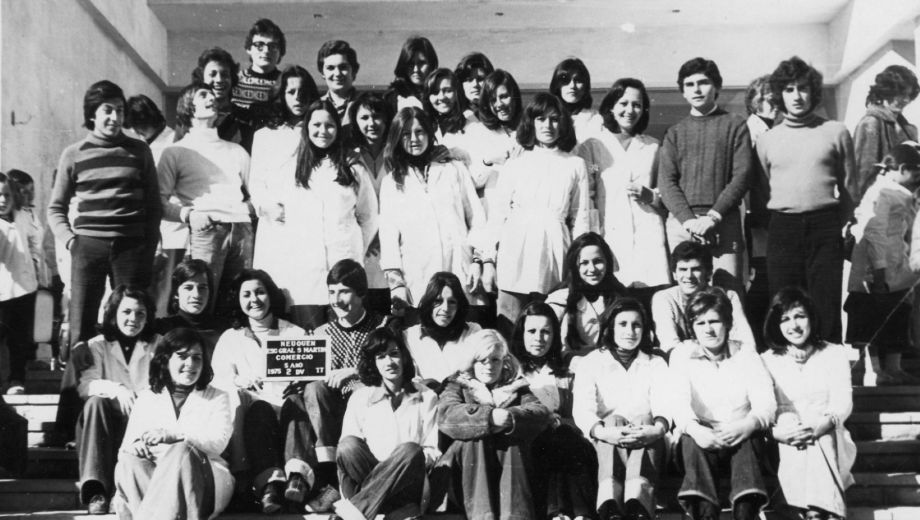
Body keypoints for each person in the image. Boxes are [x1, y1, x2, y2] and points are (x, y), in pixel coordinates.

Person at [48, 80, 161, 359]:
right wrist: (72, 242)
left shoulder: (139, 151)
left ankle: (133, 387)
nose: (115, 117)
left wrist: (146, 249)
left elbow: (154, 206)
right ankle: (75, 397)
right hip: (88, 247)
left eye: (120, 111)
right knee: (82, 323)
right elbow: (55, 208)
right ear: (92, 114)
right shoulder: (73, 154)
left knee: (132, 319)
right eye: (108, 110)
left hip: (131, 248)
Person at [251, 99, 377, 331]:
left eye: (329, 126)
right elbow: (275, 216)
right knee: (310, 342)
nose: (323, 131)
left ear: (338, 129)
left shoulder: (352, 167)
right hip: (304, 274)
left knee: (348, 335)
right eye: (316, 125)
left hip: (343, 265)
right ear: (307, 128)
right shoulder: (290, 170)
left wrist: (356, 248)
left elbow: (369, 216)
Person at [757, 56, 855, 343]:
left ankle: (829, 367)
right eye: (788, 89)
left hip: (825, 227)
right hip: (783, 229)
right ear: (779, 95)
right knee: (784, 305)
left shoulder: (835, 131)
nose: (796, 96)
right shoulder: (767, 139)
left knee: (825, 302)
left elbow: (850, 188)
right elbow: (762, 191)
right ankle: (788, 371)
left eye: (802, 88)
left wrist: (835, 223)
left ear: (813, 91)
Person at [279, 259, 389, 513]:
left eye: (344, 291)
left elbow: (395, 365)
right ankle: (309, 477)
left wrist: (353, 371)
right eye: (332, 292)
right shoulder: (320, 333)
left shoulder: (383, 326)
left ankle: (328, 482)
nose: (337, 300)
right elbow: (311, 380)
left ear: (361, 293)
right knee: (304, 395)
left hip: (368, 409)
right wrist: (298, 378)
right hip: (329, 413)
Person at [486, 92, 590, 333]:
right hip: (516, 249)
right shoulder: (516, 163)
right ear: (530, 123)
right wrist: (488, 260)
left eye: (555, 119)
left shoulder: (575, 164)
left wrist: (579, 265)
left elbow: (581, 217)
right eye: (541, 119)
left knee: (548, 324)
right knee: (510, 325)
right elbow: (497, 216)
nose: (548, 125)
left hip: (555, 249)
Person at [669, 288, 776, 520]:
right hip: (700, 437)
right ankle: (705, 515)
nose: (708, 329)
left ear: (727, 323)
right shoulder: (682, 354)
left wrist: (747, 424)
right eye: (700, 323)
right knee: (689, 439)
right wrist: (697, 430)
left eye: (714, 321)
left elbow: (765, 402)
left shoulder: (746, 354)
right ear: (692, 327)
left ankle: (745, 513)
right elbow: (677, 403)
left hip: (741, 435)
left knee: (750, 438)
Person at [209, 269, 307, 514]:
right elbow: (219, 378)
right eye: (247, 295)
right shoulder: (230, 338)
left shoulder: (294, 332)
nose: (254, 300)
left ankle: (297, 480)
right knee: (259, 408)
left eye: (260, 292)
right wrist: (240, 380)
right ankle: (270, 486)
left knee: (294, 403)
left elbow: (310, 370)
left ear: (271, 295)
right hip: (255, 410)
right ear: (238, 300)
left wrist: (301, 381)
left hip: (288, 406)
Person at [378, 107, 489, 321]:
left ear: (429, 133)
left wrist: (478, 261)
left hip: (460, 270)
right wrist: (396, 284)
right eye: (406, 134)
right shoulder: (392, 182)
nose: (414, 139)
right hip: (419, 276)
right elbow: (389, 238)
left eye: (420, 131)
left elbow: (477, 218)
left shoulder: (454, 168)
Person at [113, 327, 234, 520]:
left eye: (197, 357)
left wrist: (176, 436)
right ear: (166, 359)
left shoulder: (218, 396)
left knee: (180, 451)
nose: (190, 364)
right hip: (154, 476)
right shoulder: (147, 397)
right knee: (128, 462)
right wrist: (135, 446)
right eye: (182, 356)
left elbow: (219, 443)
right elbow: (125, 449)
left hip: (204, 476)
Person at [658, 57, 753, 299]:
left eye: (703, 82)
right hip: (682, 225)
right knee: (686, 294)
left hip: (723, 222)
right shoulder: (675, 133)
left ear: (717, 87)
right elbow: (667, 183)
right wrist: (689, 221)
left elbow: (742, 175)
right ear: (683, 92)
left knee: (728, 293)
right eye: (689, 85)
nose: (697, 90)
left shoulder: (735, 125)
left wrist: (712, 217)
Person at [159, 82, 253, 316]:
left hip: (242, 231)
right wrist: (189, 215)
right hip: (206, 231)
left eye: (212, 94)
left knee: (239, 305)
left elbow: (256, 192)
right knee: (202, 303)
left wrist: (247, 211)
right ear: (188, 105)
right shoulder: (175, 152)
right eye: (203, 94)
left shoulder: (236, 151)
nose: (211, 96)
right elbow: (157, 201)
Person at [761, 288, 856, 520]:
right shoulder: (766, 360)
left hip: (831, 439)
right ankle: (828, 512)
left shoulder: (834, 353)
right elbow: (763, 406)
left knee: (821, 432)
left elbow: (842, 399)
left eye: (799, 316)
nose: (793, 325)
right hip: (784, 442)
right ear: (776, 324)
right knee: (790, 419)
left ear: (811, 318)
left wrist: (823, 423)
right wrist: (778, 433)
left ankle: (807, 510)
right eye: (785, 319)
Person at [437, 329, 552, 520]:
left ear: (504, 361)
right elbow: (447, 416)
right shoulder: (457, 384)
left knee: (513, 439)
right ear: (471, 361)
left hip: (506, 469)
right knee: (477, 437)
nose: (488, 366)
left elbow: (540, 413)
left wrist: (510, 416)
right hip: (463, 473)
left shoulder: (516, 387)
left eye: (495, 360)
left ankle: (515, 516)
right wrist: (488, 418)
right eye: (482, 360)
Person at [572, 298, 669, 520]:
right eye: (622, 324)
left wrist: (657, 429)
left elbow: (665, 403)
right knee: (614, 419)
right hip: (606, 439)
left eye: (637, 325)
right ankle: (611, 506)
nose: (630, 331)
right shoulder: (591, 362)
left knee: (645, 418)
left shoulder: (655, 363)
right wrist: (606, 432)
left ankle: (638, 506)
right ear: (610, 328)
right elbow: (583, 410)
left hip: (648, 438)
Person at [332, 327, 439, 520]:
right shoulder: (360, 397)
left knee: (411, 450)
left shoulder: (427, 396)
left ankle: (354, 512)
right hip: (367, 474)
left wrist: (395, 467)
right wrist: (383, 473)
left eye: (394, 354)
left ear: (404, 357)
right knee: (348, 445)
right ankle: (379, 507)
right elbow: (347, 455)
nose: (389, 362)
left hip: (407, 484)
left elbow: (432, 451)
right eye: (381, 357)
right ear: (373, 363)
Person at [575, 78, 670, 292]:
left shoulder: (653, 147)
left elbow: (667, 195)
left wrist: (649, 196)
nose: (630, 110)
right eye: (624, 103)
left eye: (636, 105)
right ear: (611, 106)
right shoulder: (593, 145)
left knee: (648, 298)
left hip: (647, 237)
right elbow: (586, 197)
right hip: (609, 236)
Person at [510, 302, 597, 520]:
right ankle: (562, 512)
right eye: (532, 331)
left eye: (545, 331)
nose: (539, 338)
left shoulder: (566, 371)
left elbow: (580, 413)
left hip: (566, 442)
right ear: (521, 334)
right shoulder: (510, 370)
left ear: (554, 335)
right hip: (527, 445)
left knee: (563, 437)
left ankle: (576, 515)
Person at [75, 286, 158, 514]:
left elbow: (163, 386)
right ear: (113, 314)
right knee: (94, 402)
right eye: (126, 312)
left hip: (143, 421)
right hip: (106, 422)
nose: (133, 319)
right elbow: (86, 385)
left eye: (140, 313)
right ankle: (96, 491)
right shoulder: (97, 345)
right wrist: (118, 389)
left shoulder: (157, 344)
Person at [847, 144, 920, 385]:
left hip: (896, 267)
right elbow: (874, 232)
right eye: (916, 171)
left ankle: (894, 367)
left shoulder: (899, 192)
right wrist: (878, 272)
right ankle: (873, 370)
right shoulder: (881, 193)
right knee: (871, 319)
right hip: (876, 269)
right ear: (901, 169)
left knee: (897, 315)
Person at [122, 94, 182, 316]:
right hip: (150, 228)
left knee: (166, 288)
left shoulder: (172, 142)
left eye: (137, 128)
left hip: (171, 227)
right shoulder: (147, 144)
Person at [651, 241, 755, 354]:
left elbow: (747, 342)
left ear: (708, 273)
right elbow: (670, 346)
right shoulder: (664, 299)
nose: (689, 276)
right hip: (684, 363)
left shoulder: (728, 297)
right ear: (674, 274)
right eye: (683, 269)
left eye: (696, 269)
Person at [545, 233, 628, 367]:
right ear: (574, 266)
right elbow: (547, 346)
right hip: (570, 370)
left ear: (607, 262)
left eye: (598, 261)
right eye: (584, 263)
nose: (592, 269)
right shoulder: (559, 300)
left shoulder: (619, 297)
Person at [348, 92, 395, 315]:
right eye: (364, 118)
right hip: (362, 244)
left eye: (377, 117)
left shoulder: (398, 155)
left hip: (393, 242)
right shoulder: (348, 157)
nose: (371, 123)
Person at [0, 172, 44, 394]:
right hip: (2, 290)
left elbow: (35, 244)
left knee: (19, 339)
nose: (2, 200)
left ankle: (17, 380)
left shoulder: (24, 216)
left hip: (24, 288)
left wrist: (38, 273)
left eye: (6, 195)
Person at [850, 65, 920, 204]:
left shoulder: (907, 128)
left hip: (905, 205)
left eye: (909, 95)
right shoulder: (871, 124)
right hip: (880, 205)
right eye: (901, 94)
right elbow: (863, 174)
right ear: (886, 92)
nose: (906, 100)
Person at [403, 272, 483, 390]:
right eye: (438, 301)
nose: (445, 309)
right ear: (429, 303)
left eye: (452, 302)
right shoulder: (411, 335)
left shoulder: (473, 331)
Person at [464, 70, 522, 214]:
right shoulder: (478, 132)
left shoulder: (528, 130)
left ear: (514, 96)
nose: (499, 104)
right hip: (494, 213)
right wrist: (488, 161)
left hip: (523, 211)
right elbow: (473, 183)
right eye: (493, 100)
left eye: (504, 97)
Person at [154, 259, 230, 356]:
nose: (196, 295)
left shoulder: (223, 330)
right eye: (188, 288)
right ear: (176, 293)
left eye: (202, 288)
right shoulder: (162, 328)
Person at [191, 47, 253, 152]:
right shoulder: (192, 117)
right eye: (212, 74)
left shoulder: (246, 117)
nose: (219, 80)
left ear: (232, 78)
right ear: (202, 79)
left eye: (224, 75)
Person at [423, 68, 474, 166]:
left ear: (456, 93)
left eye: (448, 91)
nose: (441, 97)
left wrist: (453, 154)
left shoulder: (472, 127)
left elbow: (480, 166)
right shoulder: (424, 129)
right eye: (435, 92)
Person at [232, 18, 285, 111]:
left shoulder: (287, 84)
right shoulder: (235, 82)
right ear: (249, 49)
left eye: (273, 46)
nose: (266, 51)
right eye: (259, 45)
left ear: (280, 52)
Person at [549, 57, 602, 142]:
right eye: (565, 80)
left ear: (586, 86)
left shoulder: (597, 120)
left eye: (578, 80)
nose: (572, 86)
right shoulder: (545, 119)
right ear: (557, 85)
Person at [385, 36, 438, 111]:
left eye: (421, 63)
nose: (416, 69)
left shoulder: (439, 94)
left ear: (431, 64)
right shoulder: (393, 97)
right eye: (411, 64)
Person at [318, 40, 360, 126]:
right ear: (322, 73)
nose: (337, 73)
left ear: (354, 71)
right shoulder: (316, 106)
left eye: (343, 67)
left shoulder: (364, 103)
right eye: (330, 68)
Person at [454, 52, 494, 121]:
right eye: (469, 80)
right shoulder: (455, 119)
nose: (475, 84)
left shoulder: (500, 114)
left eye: (481, 79)